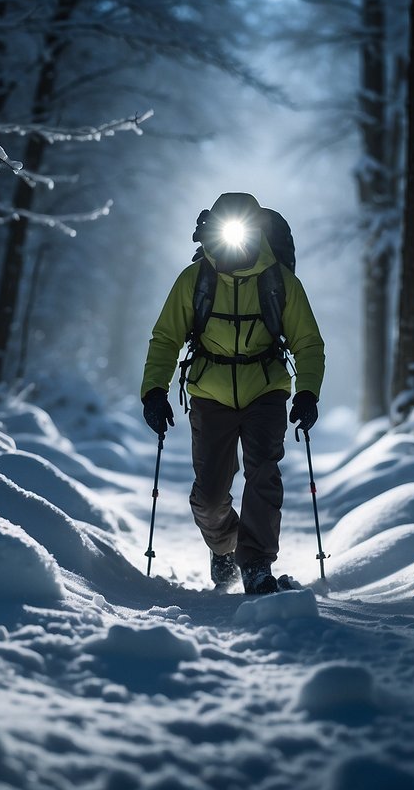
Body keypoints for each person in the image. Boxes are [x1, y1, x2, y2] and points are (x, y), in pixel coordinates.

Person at [140, 192, 325, 594]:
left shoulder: (279, 280)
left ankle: (257, 564)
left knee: (263, 474)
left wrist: (307, 393)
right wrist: (154, 391)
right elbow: (166, 337)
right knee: (208, 496)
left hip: (267, 391)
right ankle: (224, 546)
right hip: (210, 393)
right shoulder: (196, 279)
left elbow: (308, 342)